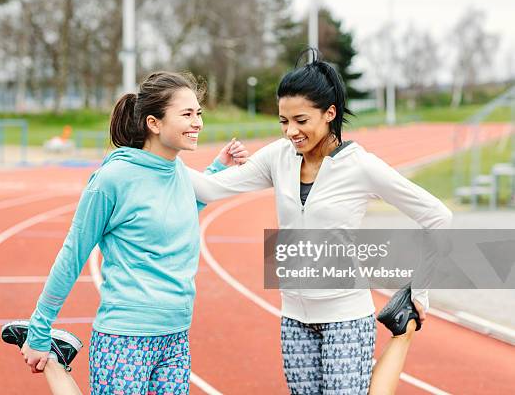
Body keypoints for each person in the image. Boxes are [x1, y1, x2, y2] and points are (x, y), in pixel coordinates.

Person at [187, 48, 452, 394]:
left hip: (346, 319)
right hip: (294, 320)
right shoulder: (277, 157)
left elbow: (438, 216)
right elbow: (213, 188)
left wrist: (421, 290)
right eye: (283, 121)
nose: (290, 132)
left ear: (329, 113)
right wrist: (154, 155)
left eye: (301, 121)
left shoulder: (360, 166)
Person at [2, 71, 249, 394]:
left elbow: (175, 216)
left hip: (175, 335)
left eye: (198, 113)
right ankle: (50, 358)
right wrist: (39, 327)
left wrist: (216, 171)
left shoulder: (179, 173)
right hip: (125, 337)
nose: (198, 123)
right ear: (154, 123)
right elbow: (72, 256)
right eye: (187, 114)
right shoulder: (112, 179)